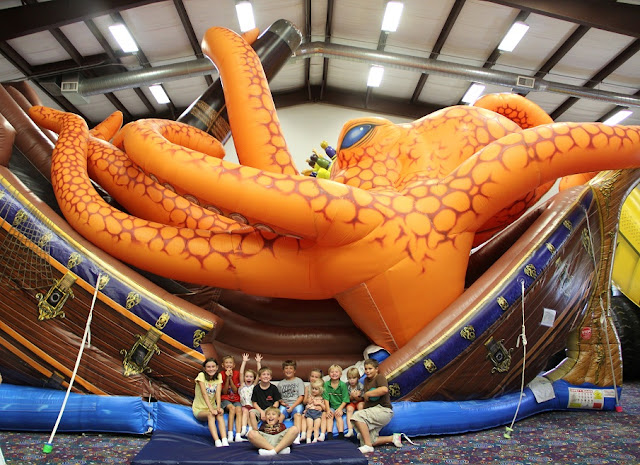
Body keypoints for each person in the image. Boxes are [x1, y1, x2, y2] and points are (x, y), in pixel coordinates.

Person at [350, 358, 412, 454]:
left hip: (383, 410)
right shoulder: (366, 380)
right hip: (373, 410)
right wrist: (356, 397)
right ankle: (393, 438)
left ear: (376, 369)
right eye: (366, 369)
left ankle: (368, 446)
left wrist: (368, 393)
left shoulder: (379, 377)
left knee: (357, 416)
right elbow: (366, 398)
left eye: (370, 369)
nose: (367, 371)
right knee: (367, 440)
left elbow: (384, 390)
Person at [192, 358, 229, 447]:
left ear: (217, 367)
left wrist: (218, 407)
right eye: (208, 367)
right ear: (205, 368)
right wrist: (211, 409)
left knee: (220, 414)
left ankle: (224, 439)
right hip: (200, 409)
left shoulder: (218, 376)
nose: (211, 369)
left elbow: (218, 393)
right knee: (210, 415)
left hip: (213, 406)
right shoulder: (201, 376)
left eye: (213, 367)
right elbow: (204, 393)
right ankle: (217, 441)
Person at [277, 360, 305, 444]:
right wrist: (282, 402)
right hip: (285, 405)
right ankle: (277, 434)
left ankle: (296, 436)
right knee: (279, 415)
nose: (288, 370)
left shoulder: (299, 381)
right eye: (286, 368)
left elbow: (301, 397)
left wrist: (293, 407)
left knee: (297, 415)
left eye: (291, 368)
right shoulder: (281, 383)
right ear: (283, 371)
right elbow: (278, 397)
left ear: (294, 370)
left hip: (296, 404)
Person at [220, 355, 244, 442]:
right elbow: (224, 392)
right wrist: (227, 378)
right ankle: (230, 435)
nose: (228, 364)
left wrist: (230, 379)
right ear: (223, 365)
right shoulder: (221, 374)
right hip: (225, 399)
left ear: (233, 365)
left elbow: (235, 390)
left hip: (235, 399)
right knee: (232, 408)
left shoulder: (236, 374)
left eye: (230, 363)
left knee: (239, 409)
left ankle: (238, 435)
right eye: (226, 363)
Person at [249, 367, 282, 431]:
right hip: (260, 410)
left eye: (268, 374)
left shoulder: (274, 388)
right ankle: (255, 431)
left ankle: (274, 429)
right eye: (263, 374)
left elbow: (276, 402)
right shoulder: (256, 388)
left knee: (276, 414)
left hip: (271, 409)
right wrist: (261, 412)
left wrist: (268, 412)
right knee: (252, 413)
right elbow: (254, 403)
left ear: (271, 377)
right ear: (259, 377)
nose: (266, 376)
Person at [238, 352, 262, 436]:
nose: (249, 378)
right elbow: (241, 373)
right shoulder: (242, 385)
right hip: (244, 406)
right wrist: (244, 361)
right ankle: (244, 429)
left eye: (251, 377)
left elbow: (259, 374)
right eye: (247, 376)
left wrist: (258, 362)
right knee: (245, 411)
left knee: (249, 412)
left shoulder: (254, 386)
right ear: (244, 378)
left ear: (254, 379)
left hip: (252, 406)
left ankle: (250, 429)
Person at [323, 364, 349, 439]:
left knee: (338, 416)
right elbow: (326, 398)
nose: (334, 374)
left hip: (340, 406)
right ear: (329, 374)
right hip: (331, 406)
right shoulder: (326, 384)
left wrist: (340, 409)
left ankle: (341, 433)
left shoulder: (343, 385)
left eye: (336, 372)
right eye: (332, 372)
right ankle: (329, 434)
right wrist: (328, 410)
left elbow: (345, 399)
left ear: (340, 374)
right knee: (329, 416)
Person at [300, 368, 323, 442]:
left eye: (316, 377)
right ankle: (304, 434)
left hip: (317, 410)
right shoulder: (307, 388)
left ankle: (318, 436)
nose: (313, 378)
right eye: (312, 376)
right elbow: (304, 401)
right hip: (309, 409)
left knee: (317, 423)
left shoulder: (322, 388)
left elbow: (324, 401)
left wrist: (320, 406)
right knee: (304, 417)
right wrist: (308, 400)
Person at [344, 366, 365, 438]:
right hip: (350, 401)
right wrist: (352, 396)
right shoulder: (346, 386)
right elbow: (346, 399)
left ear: (358, 378)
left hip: (359, 401)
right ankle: (350, 430)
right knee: (349, 409)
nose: (352, 380)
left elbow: (361, 398)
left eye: (354, 378)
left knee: (360, 407)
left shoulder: (360, 386)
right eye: (350, 378)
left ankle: (360, 430)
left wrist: (356, 397)